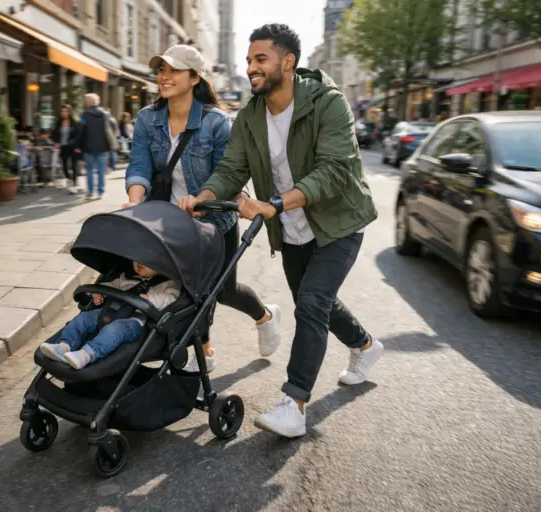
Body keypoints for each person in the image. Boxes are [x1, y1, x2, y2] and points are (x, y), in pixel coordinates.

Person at [178, 24, 381, 438]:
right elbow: (233, 166)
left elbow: (335, 170)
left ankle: (294, 403)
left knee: (311, 302)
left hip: (338, 222)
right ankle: (364, 346)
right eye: (249, 60)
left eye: (260, 60)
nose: (250, 67)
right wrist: (204, 195)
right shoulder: (251, 115)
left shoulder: (328, 104)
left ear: (288, 63)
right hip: (291, 228)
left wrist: (273, 204)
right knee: (317, 302)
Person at [124, 44, 281, 373]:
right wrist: (134, 202)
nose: (164, 77)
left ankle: (265, 316)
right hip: (166, 221)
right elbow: (138, 166)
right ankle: (204, 350)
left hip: (213, 221)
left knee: (223, 291)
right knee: (187, 290)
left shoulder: (216, 123)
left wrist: (202, 201)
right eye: (161, 70)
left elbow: (229, 175)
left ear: (195, 78)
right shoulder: (147, 119)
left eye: (173, 70)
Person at [39, 261, 180, 369]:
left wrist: (150, 299)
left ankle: (87, 354)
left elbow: (170, 298)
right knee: (84, 318)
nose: (139, 263)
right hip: (110, 312)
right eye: (136, 259)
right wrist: (100, 292)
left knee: (115, 329)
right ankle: (64, 345)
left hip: (135, 322)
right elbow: (112, 285)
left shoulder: (170, 284)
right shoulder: (127, 277)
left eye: (147, 261)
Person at [74, 93, 110, 200]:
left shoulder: (84, 115)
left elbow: (80, 131)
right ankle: (101, 192)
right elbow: (110, 130)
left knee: (89, 169)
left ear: (87, 103)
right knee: (101, 170)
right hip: (103, 147)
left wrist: (77, 145)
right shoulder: (105, 114)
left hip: (88, 147)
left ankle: (90, 191)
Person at [52, 104, 80, 194]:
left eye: (66, 111)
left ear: (70, 112)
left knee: (73, 165)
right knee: (64, 166)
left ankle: (74, 183)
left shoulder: (75, 122)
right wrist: (56, 142)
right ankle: (69, 180)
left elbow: (78, 135)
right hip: (63, 147)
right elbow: (54, 134)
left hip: (73, 147)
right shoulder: (58, 122)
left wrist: (77, 146)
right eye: (62, 111)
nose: (64, 113)